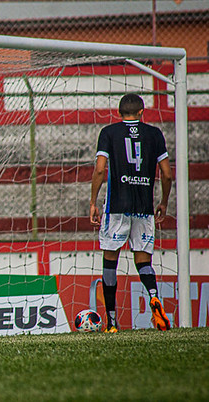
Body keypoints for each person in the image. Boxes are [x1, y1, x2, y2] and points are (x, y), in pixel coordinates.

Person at [89, 93, 172, 332]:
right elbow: (166, 174)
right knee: (143, 260)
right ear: (141, 112)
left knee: (110, 261)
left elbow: (100, 170)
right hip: (144, 207)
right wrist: (163, 202)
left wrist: (93, 202)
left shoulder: (108, 132)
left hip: (116, 207)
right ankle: (154, 297)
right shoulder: (154, 134)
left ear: (119, 113)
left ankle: (112, 322)